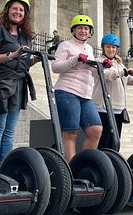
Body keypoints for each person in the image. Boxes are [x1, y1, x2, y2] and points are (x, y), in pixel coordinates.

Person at [0, 0, 38, 172]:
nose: (18, 12)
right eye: (14, 8)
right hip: (0, 84)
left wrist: (35, 60)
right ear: (7, 11)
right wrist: (12, 55)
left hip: (19, 85)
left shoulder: (26, 37)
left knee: (9, 132)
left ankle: (5, 172)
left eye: (21, 9)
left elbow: (23, 63)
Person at [52, 15, 102, 162]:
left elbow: (91, 71)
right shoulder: (65, 45)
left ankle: (81, 164)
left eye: (86, 28)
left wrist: (102, 65)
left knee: (95, 130)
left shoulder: (89, 48)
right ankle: (70, 170)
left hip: (86, 95)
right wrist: (76, 59)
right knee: (70, 133)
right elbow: (55, 67)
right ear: (73, 30)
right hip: (67, 92)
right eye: (79, 28)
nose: (83, 31)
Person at [92, 33, 133, 149]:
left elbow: (127, 80)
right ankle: (102, 164)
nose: (111, 49)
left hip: (118, 107)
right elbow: (107, 75)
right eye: (108, 47)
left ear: (117, 49)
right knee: (104, 140)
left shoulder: (119, 64)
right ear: (103, 48)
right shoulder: (98, 61)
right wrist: (123, 72)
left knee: (115, 141)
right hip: (103, 106)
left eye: (113, 47)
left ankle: (114, 163)